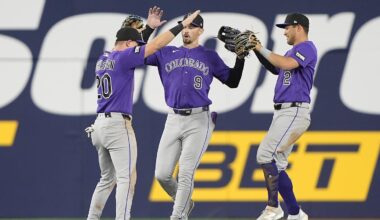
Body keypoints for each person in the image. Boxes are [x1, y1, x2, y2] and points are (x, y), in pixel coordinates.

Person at [85, 9, 201, 220]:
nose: (139, 45)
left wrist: (147, 29)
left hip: (99, 125)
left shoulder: (103, 58)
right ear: (129, 44)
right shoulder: (123, 58)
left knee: (106, 179)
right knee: (126, 179)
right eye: (135, 42)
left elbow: (136, 49)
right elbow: (154, 46)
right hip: (116, 127)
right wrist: (180, 26)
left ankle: (92, 218)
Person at [145, 13, 246, 220]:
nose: (186, 31)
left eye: (191, 27)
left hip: (199, 121)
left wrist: (240, 57)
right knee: (162, 175)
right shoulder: (166, 52)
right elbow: (140, 52)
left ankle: (178, 216)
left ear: (200, 31)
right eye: (184, 27)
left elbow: (233, 81)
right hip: (173, 119)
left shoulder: (209, 56)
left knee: (185, 173)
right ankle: (185, 202)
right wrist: (148, 28)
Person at [252, 13, 317, 220]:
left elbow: (287, 64)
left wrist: (261, 47)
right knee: (277, 167)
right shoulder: (292, 51)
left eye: (287, 27)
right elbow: (275, 67)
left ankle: (273, 208)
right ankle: (296, 213)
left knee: (264, 155)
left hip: (294, 110)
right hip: (285, 112)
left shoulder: (307, 47)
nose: (284, 31)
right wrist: (255, 49)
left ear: (299, 27)